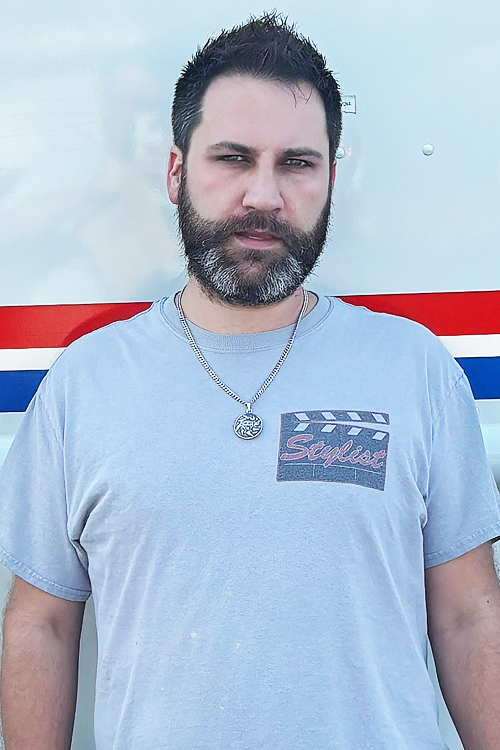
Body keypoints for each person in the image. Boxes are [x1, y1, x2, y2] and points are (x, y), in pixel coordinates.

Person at [1, 13, 500, 750]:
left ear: (335, 175)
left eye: (297, 163)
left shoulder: (415, 368)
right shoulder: (86, 383)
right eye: (232, 158)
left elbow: (468, 614)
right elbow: (40, 621)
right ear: (177, 172)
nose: (264, 195)